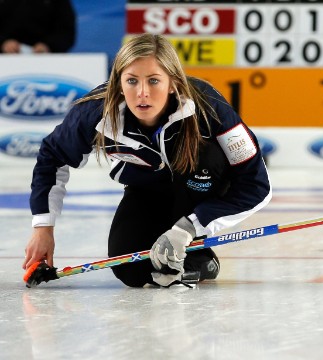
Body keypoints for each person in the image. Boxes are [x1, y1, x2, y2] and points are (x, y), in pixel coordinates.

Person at [22, 33, 272, 287]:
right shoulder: (94, 112)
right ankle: (184, 253)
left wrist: (188, 228)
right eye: (131, 81)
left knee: (206, 158)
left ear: (173, 83)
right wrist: (43, 228)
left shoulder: (209, 107)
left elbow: (256, 186)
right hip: (148, 189)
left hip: (203, 187)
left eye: (154, 81)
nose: (142, 93)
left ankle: (197, 255)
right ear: (118, 83)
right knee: (131, 272)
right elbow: (52, 157)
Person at [0, 0, 76, 54]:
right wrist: (3, 43)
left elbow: (66, 31)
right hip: (4, 57)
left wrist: (48, 46)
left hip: (47, 59)